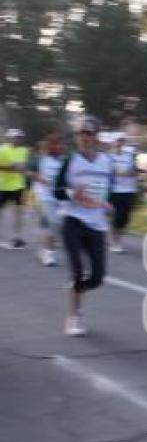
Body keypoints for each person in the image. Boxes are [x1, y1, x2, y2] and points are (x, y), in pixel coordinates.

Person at [53, 116, 113, 336]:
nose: (84, 137)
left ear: (97, 136)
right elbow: (56, 190)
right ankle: (74, 315)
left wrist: (108, 204)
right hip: (73, 220)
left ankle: (74, 290)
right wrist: (71, 193)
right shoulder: (71, 160)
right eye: (80, 133)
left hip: (96, 223)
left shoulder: (106, 161)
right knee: (77, 270)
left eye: (88, 133)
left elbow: (108, 189)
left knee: (97, 277)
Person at [33, 132, 67, 266]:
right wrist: (39, 178)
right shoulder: (42, 159)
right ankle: (48, 254)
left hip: (62, 197)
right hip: (45, 196)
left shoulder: (66, 160)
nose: (60, 146)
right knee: (54, 222)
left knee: (50, 225)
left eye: (62, 144)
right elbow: (29, 172)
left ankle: (44, 250)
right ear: (51, 145)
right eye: (57, 144)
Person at [0, 128, 31, 249]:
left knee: (18, 213)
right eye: (16, 137)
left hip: (18, 186)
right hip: (3, 186)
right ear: (10, 138)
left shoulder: (23, 150)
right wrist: (13, 167)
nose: (19, 139)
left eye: (20, 137)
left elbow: (22, 165)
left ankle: (17, 238)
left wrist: (15, 167)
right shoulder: (2, 149)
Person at [109, 132, 138, 254]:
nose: (120, 143)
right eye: (118, 141)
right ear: (114, 142)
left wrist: (129, 173)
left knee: (126, 218)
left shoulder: (129, 155)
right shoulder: (109, 157)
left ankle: (116, 239)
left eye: (122, 141)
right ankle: (115, 242)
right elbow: (108, 173)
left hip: (129, 190)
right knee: (117, 216)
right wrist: (116, 174)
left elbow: (134, 171)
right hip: (116, 191)